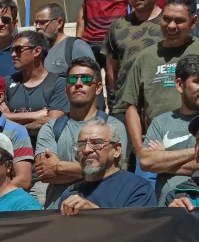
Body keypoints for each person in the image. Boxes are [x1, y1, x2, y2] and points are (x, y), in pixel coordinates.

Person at [119, 0, 199, 154]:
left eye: (179, 21)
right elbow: (131, 107)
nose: (171, 26)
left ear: (193, 22)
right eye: (166, 19)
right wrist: (140, 150)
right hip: (156, 148)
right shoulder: (146, 56)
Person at [36, 62, 130, 204]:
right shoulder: (50, 127)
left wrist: (59, 167)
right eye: (72, 79)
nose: (78, 84)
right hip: (57, 211)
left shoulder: (114, 126)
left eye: (86, 79)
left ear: (98, 88)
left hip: (100, 208)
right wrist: (95, 171)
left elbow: (115, 172)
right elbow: (45, 173)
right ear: (66, 89)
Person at [134, 54, 199, 182]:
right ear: (180, 85)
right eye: (198, 81)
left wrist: (162, 161)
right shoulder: (160, 122)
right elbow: (146, 162)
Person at [102, 0, 166, 109]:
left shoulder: (169, 23)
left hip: (162, 107)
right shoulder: (117, 26)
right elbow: (111, 68)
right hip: (125, 107)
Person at [4, 31, 67, 134]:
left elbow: (51, 122)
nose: (13, 54)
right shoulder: (6, 83)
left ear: (37, 51)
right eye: (12, 50)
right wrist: (35, 115)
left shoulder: (58, 84)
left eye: (18, 49)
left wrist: (11, 118)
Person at [33, 0, 96, 78]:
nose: (37, 27)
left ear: (59, 23)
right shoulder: (37, 50)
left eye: (42, 22)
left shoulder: (76, 46)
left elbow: (90, 78)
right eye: (36, 23)